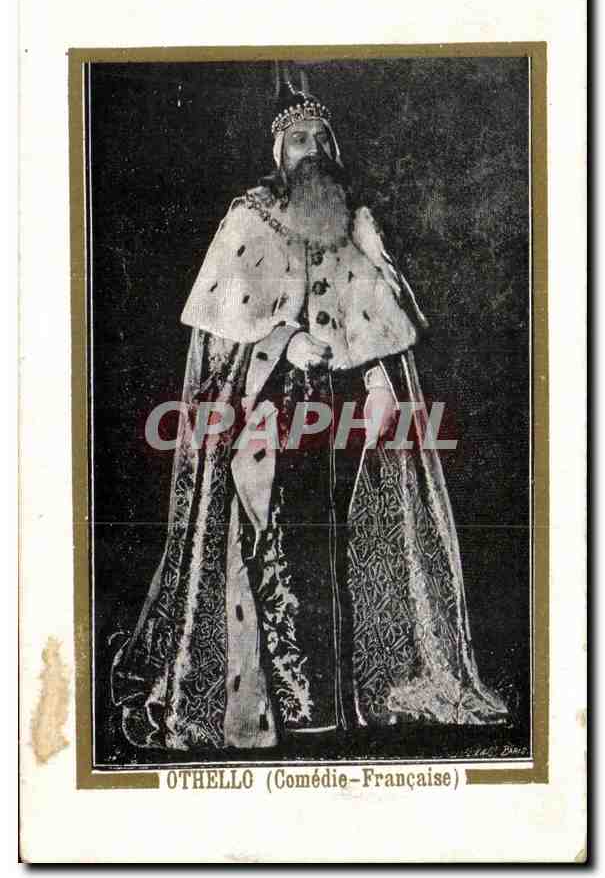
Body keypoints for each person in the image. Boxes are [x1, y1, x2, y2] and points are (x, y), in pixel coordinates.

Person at [111, 75, 507, 751]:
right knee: (278, 549)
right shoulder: (249, 220)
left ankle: (342, 702)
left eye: (322, 138)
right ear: (279, 152)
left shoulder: (354, 221)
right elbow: (218, 340)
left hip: (345, 414)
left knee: (342, 544)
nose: (313, 149)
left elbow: (372, 316)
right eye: (299, 139)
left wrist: (379, 378)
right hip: (270, 412)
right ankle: (291, 706)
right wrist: (281, 341)